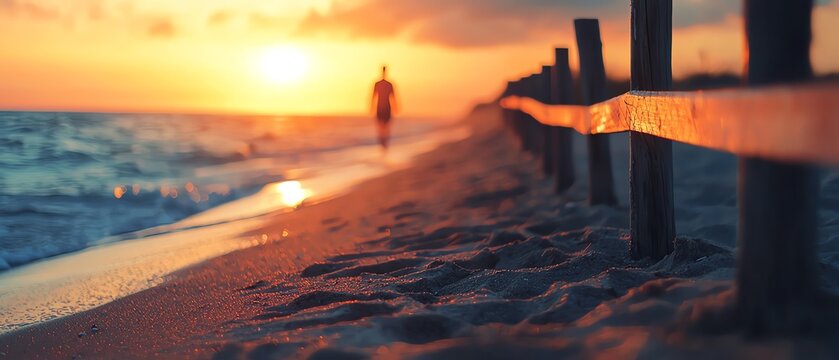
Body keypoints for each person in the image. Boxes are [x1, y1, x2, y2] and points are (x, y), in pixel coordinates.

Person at [371, 66, 397, 149]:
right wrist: (371, 107)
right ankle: (383, 141)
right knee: (382, 125)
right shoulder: (381, 84)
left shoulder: (386, 84)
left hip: (384, 107)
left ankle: (384, 141)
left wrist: (395, 107)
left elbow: (393, 97)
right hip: (381, 107)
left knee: (384, 125)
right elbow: (373, 96)